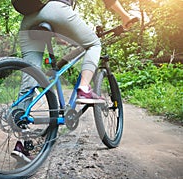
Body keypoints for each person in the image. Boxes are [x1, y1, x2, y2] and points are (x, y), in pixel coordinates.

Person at [11, 0, 137, 162]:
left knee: (31, 74)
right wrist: (125, 16)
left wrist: (58, 33)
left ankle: (21, 141)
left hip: (28, 20)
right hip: (56, 10)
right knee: (93, 44)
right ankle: (84, 88)